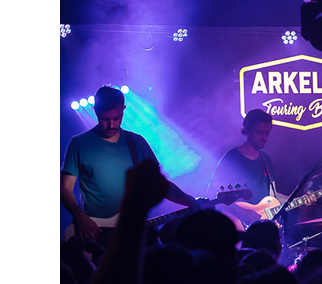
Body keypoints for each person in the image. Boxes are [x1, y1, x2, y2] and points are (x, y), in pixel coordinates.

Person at [61, 85, 202, 243]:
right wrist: (80, 218)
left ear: (124, 109)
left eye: (116, 118)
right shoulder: (79, 144)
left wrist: (192, 201)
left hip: (133, 232)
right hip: (93, 234)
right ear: (95, 111)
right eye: (105, 119)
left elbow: (160, 185)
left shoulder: (137, 143)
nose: (111, 125)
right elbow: (64, 189)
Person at [207, 109, 298, 230]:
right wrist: (241, 213)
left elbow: (273, 195)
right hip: (234, 226)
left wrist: (298, 200)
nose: (264, 137)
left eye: (267, 133)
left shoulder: (266, 159)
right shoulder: (232, 157)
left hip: (260, 228)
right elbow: (212, 193)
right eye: (259, 132)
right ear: (247, 129)